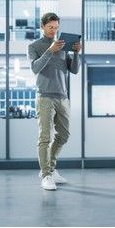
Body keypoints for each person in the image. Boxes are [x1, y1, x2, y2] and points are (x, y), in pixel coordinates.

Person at [27, 12, 82, 190]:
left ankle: (50, 168)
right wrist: (50, 50)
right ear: (42, 27)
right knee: (44, 138)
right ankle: (46, 175)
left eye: (56, 27)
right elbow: (35, 68)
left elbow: (73, 71)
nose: (53, 31)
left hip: (62, 97)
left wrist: (76, 54)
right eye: (50, 27)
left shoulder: (63, 46)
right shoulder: (34, 46)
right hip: (44, 97)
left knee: (64, 135)